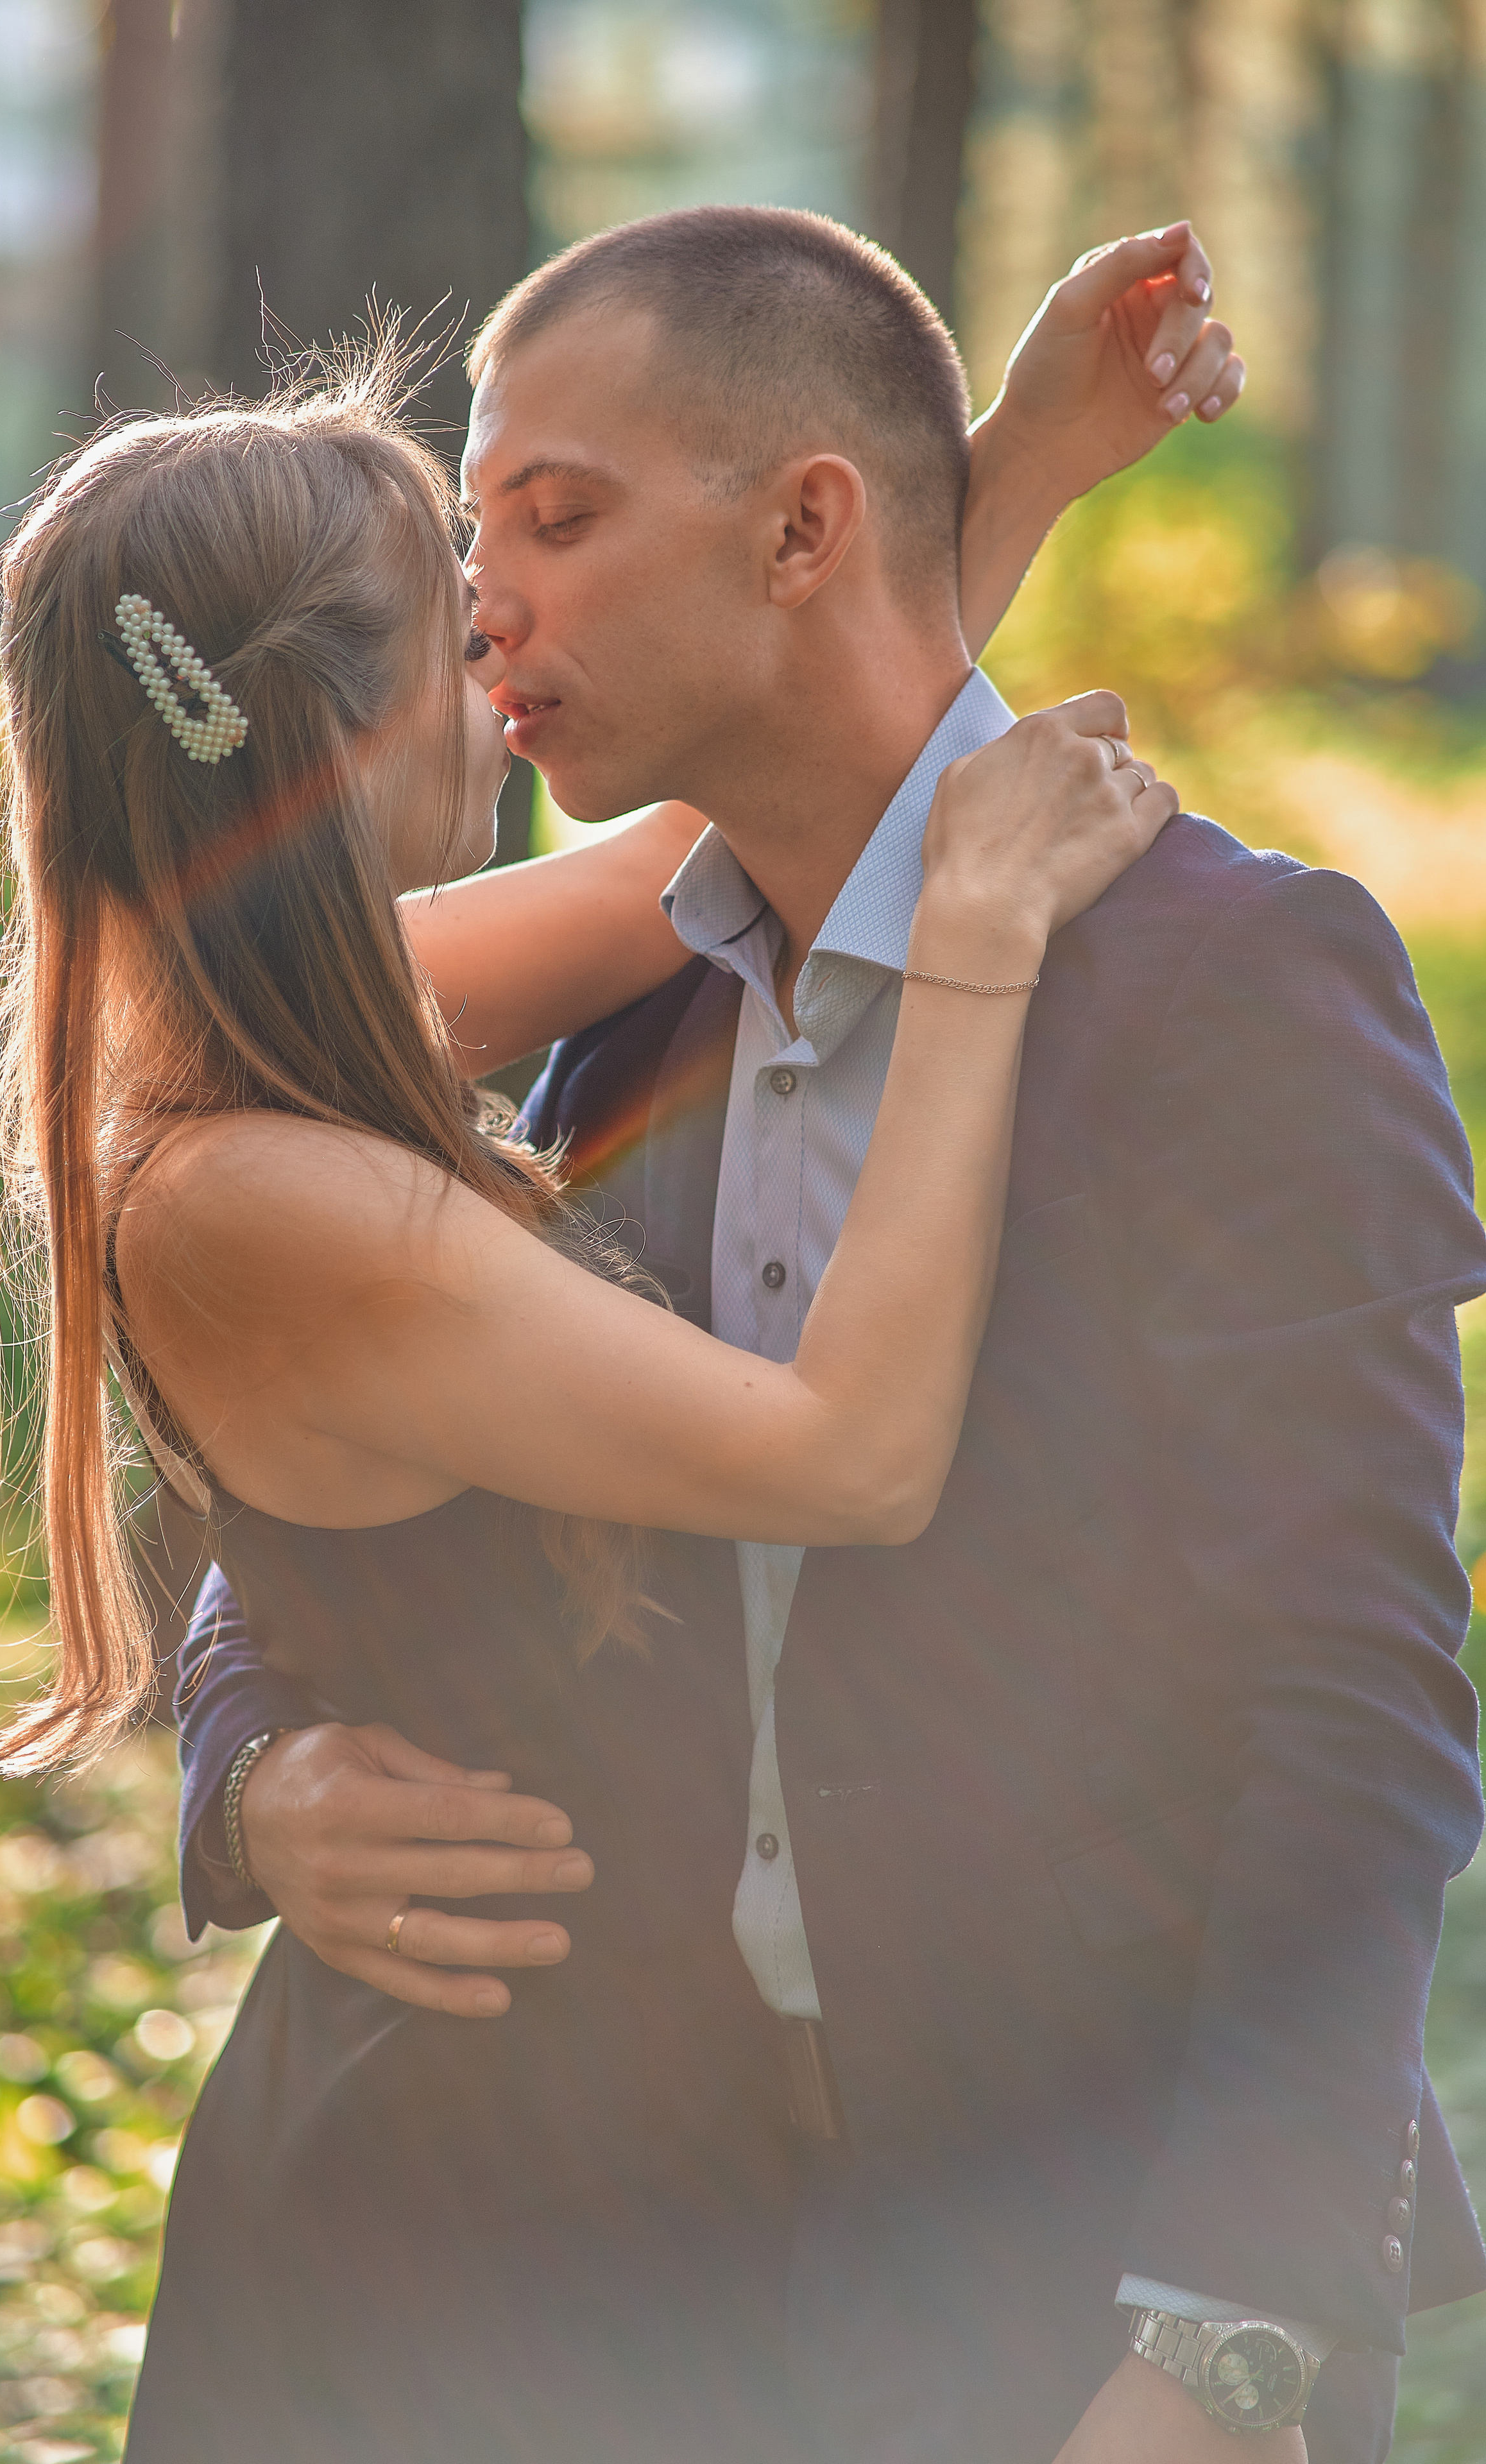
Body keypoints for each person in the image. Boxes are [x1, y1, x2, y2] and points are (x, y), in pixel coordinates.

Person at [175, 206, 1486, 2464]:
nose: (486, 605)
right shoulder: (612, 1017)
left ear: (802, 529)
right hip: (621, 2274)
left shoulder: (1238, 979)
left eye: (556, 519)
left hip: (1062, 2285)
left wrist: (1232, 2340)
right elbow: (373, 1435)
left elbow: (1355, 1696)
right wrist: (253, 1761)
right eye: (476, 536)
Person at [0, 284, 1174, 2458]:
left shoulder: (308, 1020)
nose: (515, 660)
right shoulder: (252, 1192)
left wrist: (1016, 457)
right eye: (461, 627)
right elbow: (852, 1456)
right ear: (325, 736)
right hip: (463, 2222)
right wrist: (977, 943)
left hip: (614, 2158)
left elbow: (710, 834)